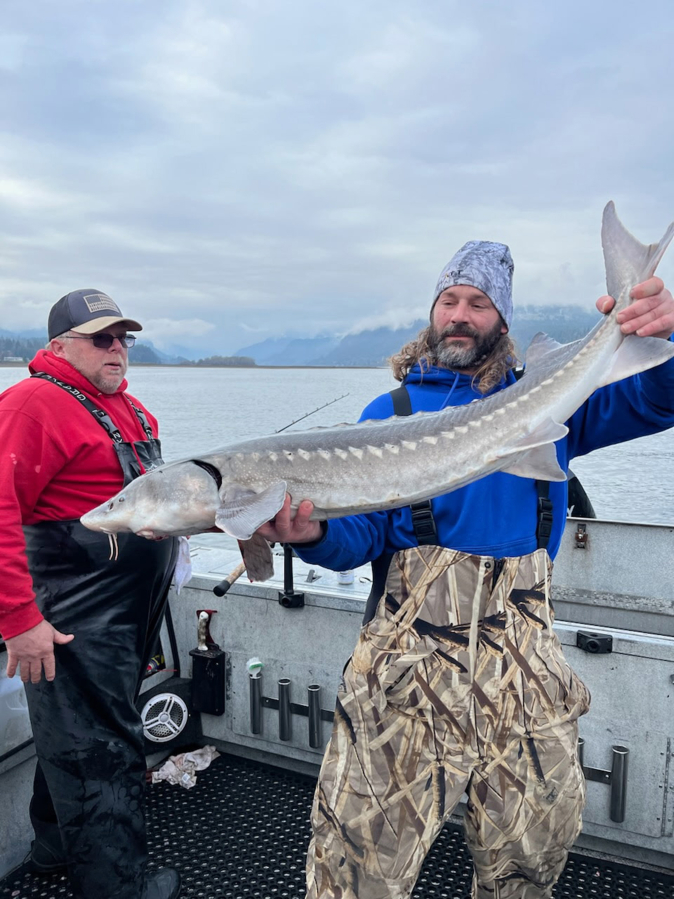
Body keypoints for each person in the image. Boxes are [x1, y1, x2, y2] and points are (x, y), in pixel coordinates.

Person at [258, 241, 674, 899]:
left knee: (529, 863)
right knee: (356, 869)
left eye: (478, 303)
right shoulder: (388, 416)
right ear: (432, 311)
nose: (459, 314)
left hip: (526, 678)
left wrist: (662, 330)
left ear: (502, 320)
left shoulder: (552, 401)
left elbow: (657, 400)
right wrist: (310, 533)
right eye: (449, 300)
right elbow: (361, 534)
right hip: (406, 680)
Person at [0, 290, 181, 899]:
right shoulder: (31, 405)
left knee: (75, 733)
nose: (117, 349)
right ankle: (115, 887)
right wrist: (19, 619)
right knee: (101, 749)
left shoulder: (130, 409)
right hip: (73, 609)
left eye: (123, 338)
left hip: (127, 610)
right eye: (101, 338)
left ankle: (54, 846)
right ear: (58, 346)